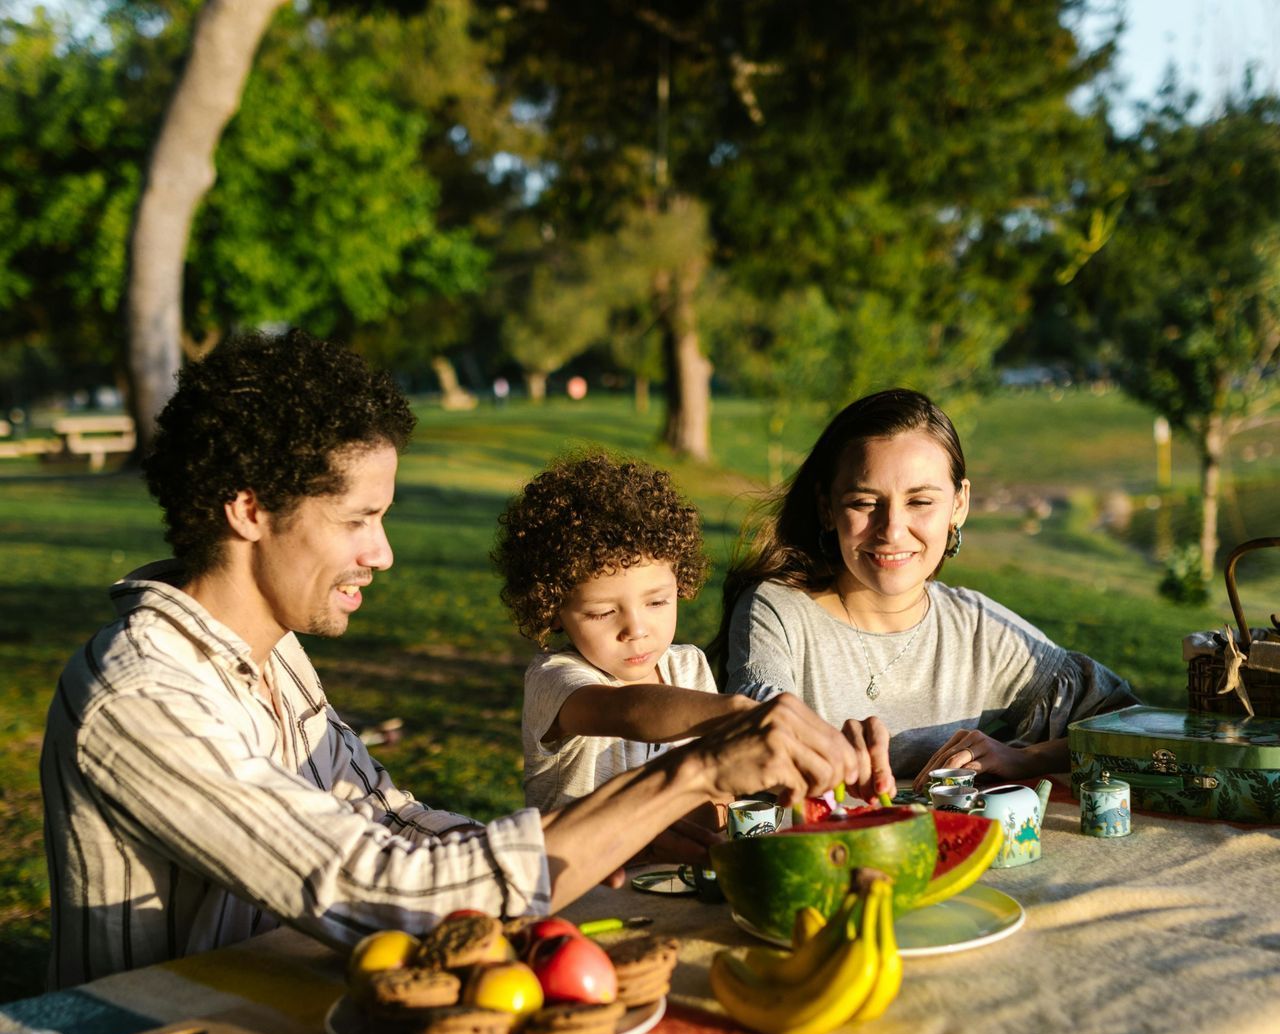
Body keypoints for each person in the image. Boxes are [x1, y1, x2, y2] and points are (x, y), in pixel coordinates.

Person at [40, 330, 864, 989]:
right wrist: (686, 774)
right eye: (358, 520)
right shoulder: (140, 697)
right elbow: (384, 889)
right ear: (250, 510)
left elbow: (388, 820)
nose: (384, 553)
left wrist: (605, 843)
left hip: (278, 1005)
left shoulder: (268, 652)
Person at [711, 388, 1136, 794]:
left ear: (959, 505)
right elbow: (757, 729)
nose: (892, 529)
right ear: (827, 508)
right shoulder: (779, 611)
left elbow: (1135, 730)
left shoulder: (978, 631)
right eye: (864, 503)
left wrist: (1025, 758)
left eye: (919, 502)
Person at [493, 452, 756, 861]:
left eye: (657, 602)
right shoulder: (555, 680)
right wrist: (740, 715)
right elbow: (627, 710)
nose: (636, 629)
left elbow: (717, 793)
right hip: (577, 889)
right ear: (552, 608)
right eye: (602, 612)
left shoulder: (688, 668)